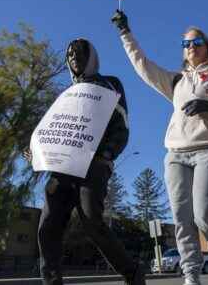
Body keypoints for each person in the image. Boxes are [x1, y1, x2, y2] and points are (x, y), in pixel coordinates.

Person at [112, 11, 208, 285]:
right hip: (176, 155)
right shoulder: (176, 82)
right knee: (181, 218)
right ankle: (191, 275)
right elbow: (142, 65)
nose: (191, 47)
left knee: (204, 213)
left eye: (197, 42)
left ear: (207, 46)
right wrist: (126, 33)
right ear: (183, 52)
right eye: (186, 44)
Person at [33, 38, 144, 285]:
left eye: (80, 53)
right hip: (62, 169)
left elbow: (121, 126)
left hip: (93, 166)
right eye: (70, 55)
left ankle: (133, 274)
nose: (74, 58)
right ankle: (51, 282)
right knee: (48, 225)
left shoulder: (110, 84)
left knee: (92, 222)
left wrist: (106, 156)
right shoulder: (67, 94)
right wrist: (36, 149)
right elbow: (51, 129)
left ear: (92, 57)